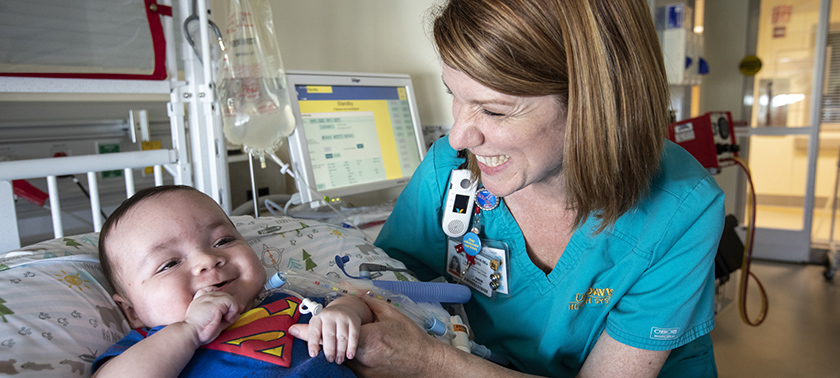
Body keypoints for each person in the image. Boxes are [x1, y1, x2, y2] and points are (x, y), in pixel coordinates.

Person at [348, 0, 725, 377]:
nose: (459, 136)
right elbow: (378, 284)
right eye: (454, 95)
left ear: (592, 104)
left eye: (493, 110)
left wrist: (433, 363)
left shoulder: (680, 209)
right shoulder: (448, 169)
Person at [92, 185, 372, 377]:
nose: (207, 260)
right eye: (169, 263)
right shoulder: (152, 346)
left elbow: (364, 308)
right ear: (132, 312)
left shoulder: (293, 302)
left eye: (223, 241)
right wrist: (189, 331)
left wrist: (345, 311)